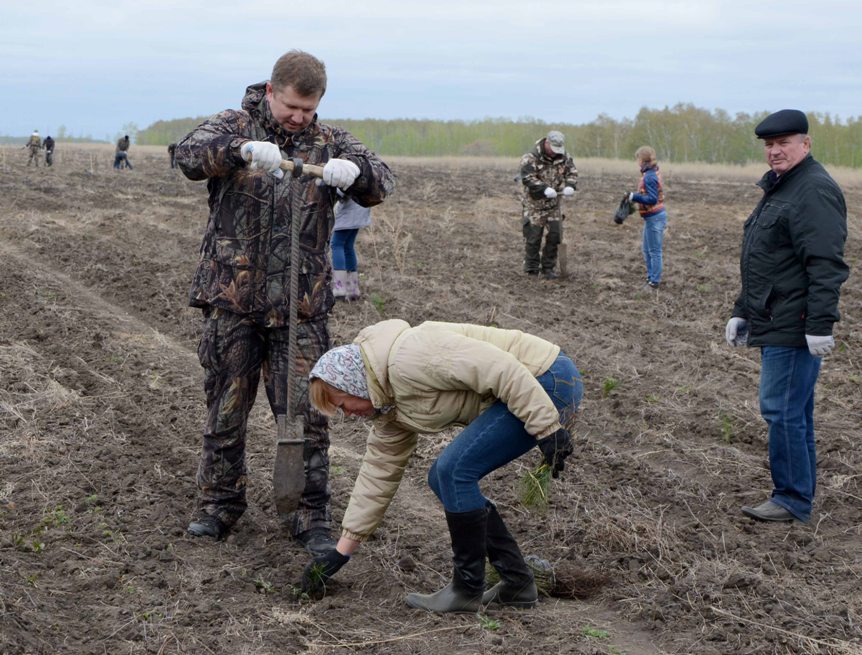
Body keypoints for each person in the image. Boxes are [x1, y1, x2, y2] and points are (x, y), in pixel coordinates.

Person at [174, 50, 394, 555]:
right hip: (233, 299)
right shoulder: (234, 123)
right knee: (226, 410)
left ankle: (308, 514)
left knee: (308, 414)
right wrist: (240, 151)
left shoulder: (329, 140)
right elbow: (186, 156)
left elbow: (382, 181)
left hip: (302, 308)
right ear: (271, 91)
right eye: (292, 106)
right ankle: (218, 505)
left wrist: (352, 172)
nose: (299, 117)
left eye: (308, 109)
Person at [301, 319, 583, 612]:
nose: (348, 414)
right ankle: (517, 583)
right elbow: (376, 478)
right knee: (443, 476)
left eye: (344, 405)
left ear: (353, 383)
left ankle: (467, 590)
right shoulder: (388, 410)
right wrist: (340, 554)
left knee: (453, 471)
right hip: (528, 387)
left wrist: (547, 428)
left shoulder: (412, 356)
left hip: (545, 379)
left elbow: (500, 368)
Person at [726, 109, 849, 524]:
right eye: (769, 145)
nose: (775, 151)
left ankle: (792, 499)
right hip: (774, 318)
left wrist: (818, 325)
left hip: (794, 325)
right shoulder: (782, 188)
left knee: (780, 410)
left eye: (784, 143)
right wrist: (742, 310)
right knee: (792, 412)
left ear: (806, 144)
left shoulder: (812, 190)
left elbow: (825, 263)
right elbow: (765, 260)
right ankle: (796, 495)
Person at [518, 130, 578, 279]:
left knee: (555, 236)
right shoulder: (530, 158)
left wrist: (570, 185)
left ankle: (548, 268)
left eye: (558, 149)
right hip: (534, 205)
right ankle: (531, 269)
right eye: (553, 149)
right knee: (533, 237)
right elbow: (527, 178)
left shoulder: (564, 156)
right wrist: (544, 188)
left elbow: (572, 172)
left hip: (553, 205)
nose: (555, 153)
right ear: (546, 143)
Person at [627, 146, 668, 289]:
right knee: (646, 249)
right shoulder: (651, 172)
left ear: (642, 160)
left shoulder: (650, 176)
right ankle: (650, 277)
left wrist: (634, 196)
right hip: (651, 218)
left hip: (655, 217)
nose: (636, 162)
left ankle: (654, 282)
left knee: (655, 251)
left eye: (637, 159)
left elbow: (652, 199)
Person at [330, 192, 371, 300]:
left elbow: (342, 189)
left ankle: (339, 288)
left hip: (350, 209)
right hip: (361, 207)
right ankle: (352, 289)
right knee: (348, 245)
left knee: (336, 244)